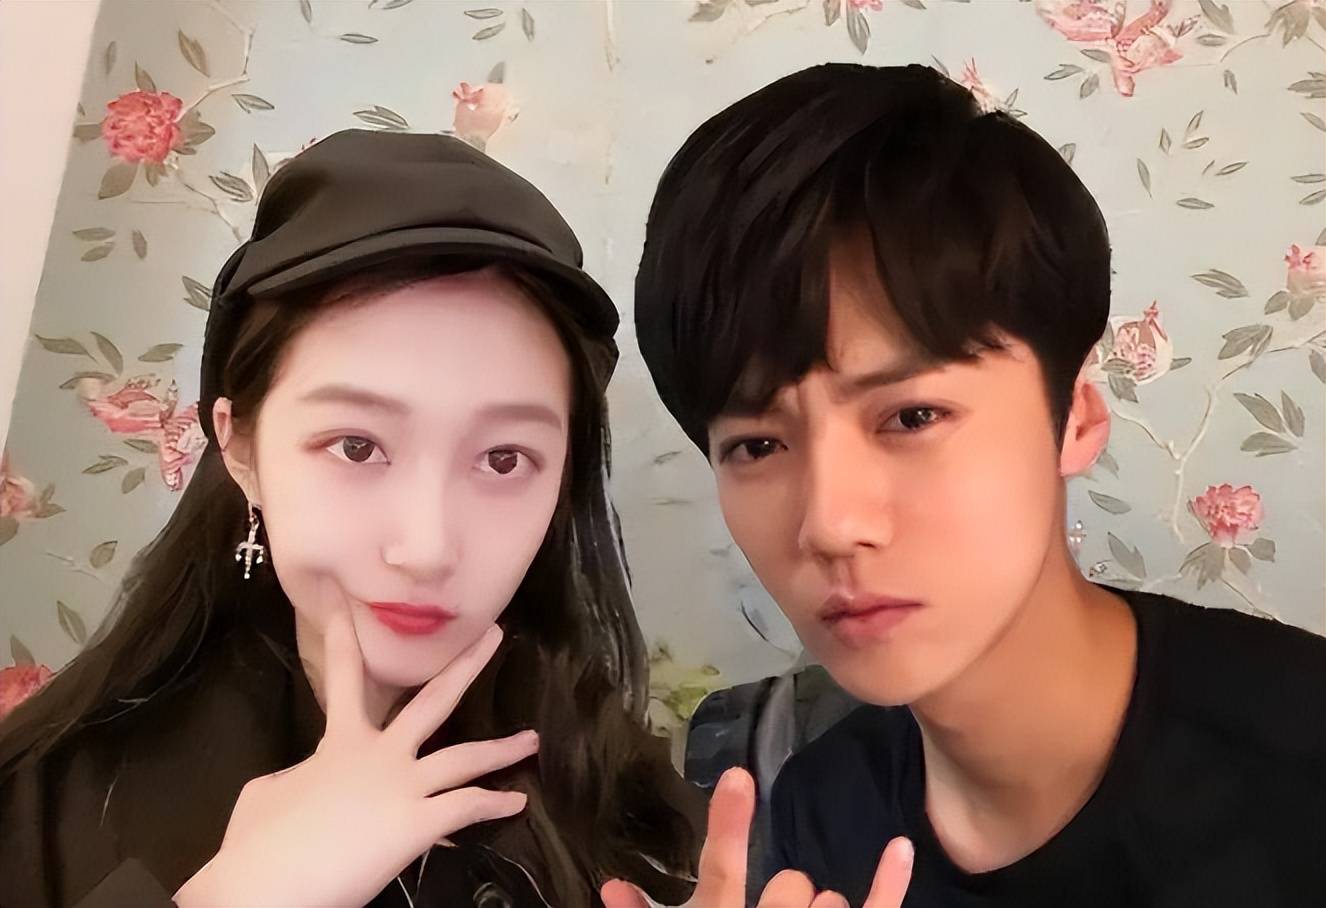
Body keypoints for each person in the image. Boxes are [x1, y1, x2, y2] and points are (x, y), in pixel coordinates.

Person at [631, 62, 1326, 908]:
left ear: (1074, 420)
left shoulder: (1299, 768)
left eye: (912, 416)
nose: (831, 524)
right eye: (757, 445)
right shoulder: (814, 813)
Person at [0, 129, 704, 908]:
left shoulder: (641, 818)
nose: (426, 548)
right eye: (357, 446)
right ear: (241, 448)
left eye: (504, 460)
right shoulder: (42, 808)